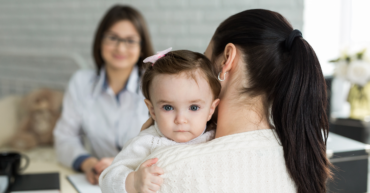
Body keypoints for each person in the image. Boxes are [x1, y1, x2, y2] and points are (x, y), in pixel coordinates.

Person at [138, 9, 331, 193]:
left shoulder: (162, 170)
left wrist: (143, 150)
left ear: (227, 59)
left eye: (206, 60)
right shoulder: (296, 160)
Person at [53, 5, 154, 184]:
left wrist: (119, 164)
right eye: (113, 38)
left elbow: (170, 142)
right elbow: (64, 136)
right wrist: (87, 163)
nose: (121, 48)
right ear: (100, 41)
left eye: (130, 41)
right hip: (98, 178)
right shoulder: (81, 82)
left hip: (141, 179)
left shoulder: (156, 84)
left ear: (142, 48)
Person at [99, 49, 221, 193]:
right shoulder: (147, 142)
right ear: (152, 110)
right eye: (168, 107)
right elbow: (107, 180)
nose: (180, 119)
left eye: (194, 107)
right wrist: (133, 182)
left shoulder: (217, 137)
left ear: (211, 110)